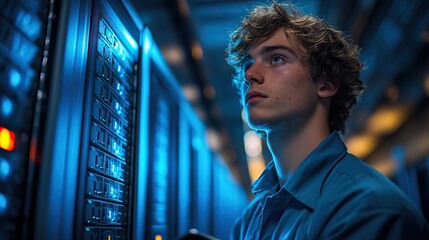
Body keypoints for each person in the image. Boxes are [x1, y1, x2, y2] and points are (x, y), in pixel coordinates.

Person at [226, 2, 429, 239]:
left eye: (277, 59)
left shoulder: (368, 209)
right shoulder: (250, 220)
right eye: (248, 64)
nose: (250, 75)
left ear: (326, 84)